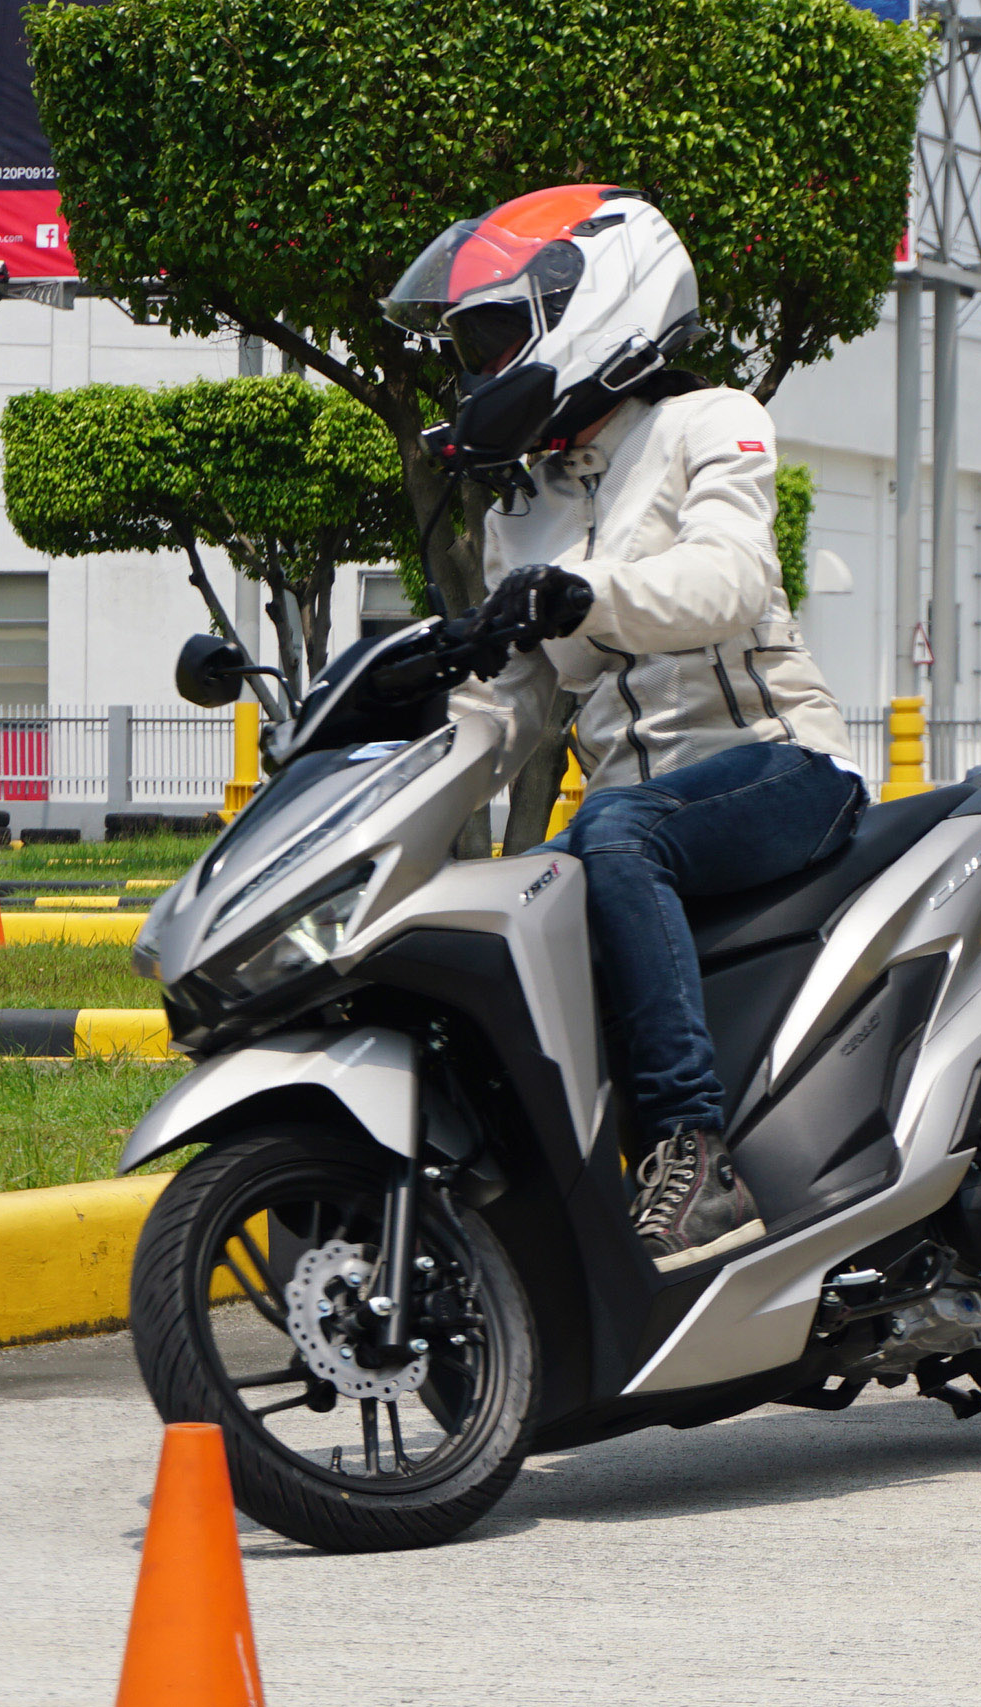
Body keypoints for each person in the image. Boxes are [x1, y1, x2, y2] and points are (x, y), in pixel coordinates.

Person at [383, 184, 864, 1274]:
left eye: (496, 337)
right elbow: (510, 708)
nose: (478, 372)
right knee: (484, 915)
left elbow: (729, 581)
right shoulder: (523, 510)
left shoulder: (714, 423)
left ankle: (693, 1155)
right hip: (635, 816)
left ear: (599, 306)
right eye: (469, 348)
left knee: (613, 833)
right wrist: (382, 781)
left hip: (780, 768)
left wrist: (580, 594)